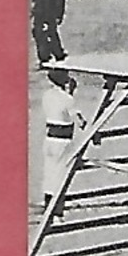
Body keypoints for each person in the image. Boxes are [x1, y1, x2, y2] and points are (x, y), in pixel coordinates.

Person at [39, 68, 85, 206]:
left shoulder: (46, 95)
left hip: (49, 137)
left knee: (49, 171)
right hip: (62, 139)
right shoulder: (67, 99)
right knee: (60, 173)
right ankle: (57, 207)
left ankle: (48, 203)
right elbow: (79, 121)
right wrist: (71, 94)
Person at [31, 0, 67, 66]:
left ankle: (57, 54)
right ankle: (44, 56)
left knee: (50, 32)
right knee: (38, 33)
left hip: (49, 13)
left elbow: (59, 0)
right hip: (39, 13)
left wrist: (58, 15)